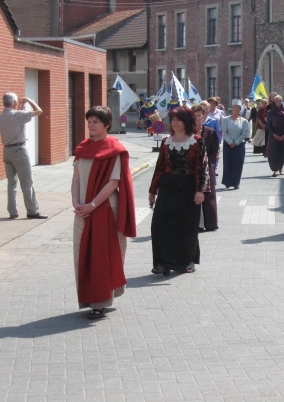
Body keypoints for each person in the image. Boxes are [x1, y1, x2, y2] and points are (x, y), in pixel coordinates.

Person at [71, 106, 136, 319]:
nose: (91, 124)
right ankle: (90, 297)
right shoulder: (82, 148)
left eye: (96, 121)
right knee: (82, 254)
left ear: (107, 124)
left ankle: (101, 300)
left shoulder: (114, 149)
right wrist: (77, 203)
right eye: (89, 120)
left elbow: (113, 182)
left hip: (106, 208)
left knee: (103, 254)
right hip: (83, 209)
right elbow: (76, 179)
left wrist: (92, 205)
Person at [149, 106, 210, 275]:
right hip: (168, 186)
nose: (174, 123)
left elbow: (202, 168)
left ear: (186, 121)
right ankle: (162, 262)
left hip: (188, 186)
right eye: (173, 119)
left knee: (186, 226)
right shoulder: (166, 141)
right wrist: (152, 191)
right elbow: (160, 167)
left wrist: (200, 191)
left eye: (178, 119)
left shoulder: (197, 141)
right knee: (159, 225)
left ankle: (187, 261)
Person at [0, 92, 47, 220]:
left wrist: (20, 108)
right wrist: (29, 100)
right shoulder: (17, 115)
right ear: (13, 103)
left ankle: (12, 211)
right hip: (19, 150)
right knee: (27, 182)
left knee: (11, 182)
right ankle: (32, 210)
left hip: (7, 151)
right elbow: (39, 111)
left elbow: (15, 121)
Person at [192, 104, 219, 231]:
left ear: (203, 116)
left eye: (199, 115)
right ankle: (195, 223)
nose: (197, 118)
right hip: (191, 167)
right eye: (194, 116)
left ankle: (210, 223)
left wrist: (208, 162)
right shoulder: (188, 133)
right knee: (194, 194)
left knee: (208, 195)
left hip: (207, 167)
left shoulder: (210, 132)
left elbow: (215, 150)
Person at [221, 99, 250, 189]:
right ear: (232, 108)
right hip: (228, 144)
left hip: (239, 144)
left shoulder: (244, 121)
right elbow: (224, 132)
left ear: (240, 109)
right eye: (234, 107)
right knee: (228, 163)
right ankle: (228, 181)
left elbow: (244, 133)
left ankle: (236, 182)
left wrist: (236, 142)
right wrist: (230, 142)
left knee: (238, 163)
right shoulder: (226, 119)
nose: (236, 109)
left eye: (238, 107)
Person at [266, 95, 284, 177]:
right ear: (274, 102)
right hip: (274, 135)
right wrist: (274, 134)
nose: (279, 102)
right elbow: (268, 125)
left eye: (280, 101)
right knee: (273, 153)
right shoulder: (270, 112)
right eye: (277, 101)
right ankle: (275, 169)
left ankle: (281, 168)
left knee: (282, 152)